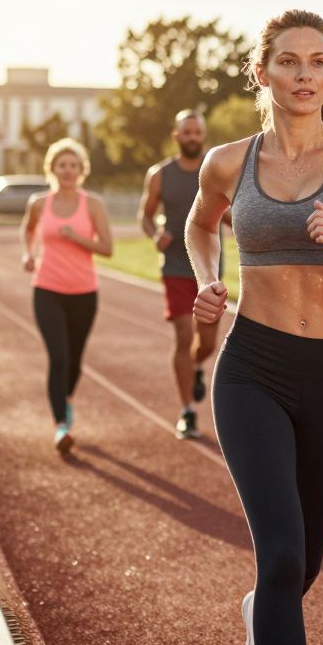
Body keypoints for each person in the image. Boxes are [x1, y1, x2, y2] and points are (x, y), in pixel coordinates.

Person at [184, 9, 323, 645]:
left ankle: (263, 615)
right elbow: (201, 225)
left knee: (304, 566)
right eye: (288, 61)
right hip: (254, 368)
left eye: (317, 61)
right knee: (281, 556)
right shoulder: (228, 163)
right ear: (261, 73)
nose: (304, 74)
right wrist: (208, 278)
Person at [19, 138, 114, 455]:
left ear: (81, 170)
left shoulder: (93, 204)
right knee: (58, 358)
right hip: (46, 288)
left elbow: (107, 248)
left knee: (75, 362)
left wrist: (76, 238)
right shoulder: (39, 203)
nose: (68, 170)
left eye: (74, 165)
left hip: (84, 292)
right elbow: (28, 229)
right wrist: (28, 254)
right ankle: (61, 425)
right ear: (52, 169)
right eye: (63, 165)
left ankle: (66, 400)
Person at [139, 109, 226, 439]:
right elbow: (146, 215)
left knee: (206, 343)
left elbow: (230, 214)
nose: (192, 137)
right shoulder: (160, 174)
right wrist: (154, 234)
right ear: (176, 136)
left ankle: (197, 367)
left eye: (196, 132)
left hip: (210, 269)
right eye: (186, 132)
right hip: (175, 266)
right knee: (182, 336)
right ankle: (188, 411)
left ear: (203, 135)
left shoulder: (216, 171)